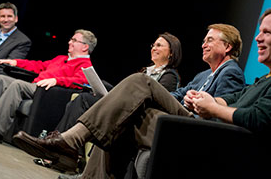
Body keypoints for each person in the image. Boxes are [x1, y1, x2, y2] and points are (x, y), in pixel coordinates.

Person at [13, 23, 246, 178]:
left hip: (194, 123)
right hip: (179, 116)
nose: (203, 44)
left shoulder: (231, 71)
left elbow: (221, 109)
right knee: (119, 120)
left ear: (227, 46)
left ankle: (69, 142)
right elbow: (176, 95)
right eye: (204, 40)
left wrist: (202, 100)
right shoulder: (204, 74)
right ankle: (82, 166)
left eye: (210, 40)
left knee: (139, 81)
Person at [33, 32, 183, 171]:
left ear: (171, 52)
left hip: (138, 114)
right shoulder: (145, 71)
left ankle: (63, 149)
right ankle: (66, 150)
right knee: (80, 100)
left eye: (159, 45)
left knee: (84, 100)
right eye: (153, 45)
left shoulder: (170, 75)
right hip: (127, 108)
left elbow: (156, 102)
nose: (154, 48)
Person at [0, 29, 97, 144]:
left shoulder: (85, 65)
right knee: (0, 79)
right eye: (71, 39)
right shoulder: (61, 58)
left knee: (16, 85)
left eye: (74, 40)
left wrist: (56, 80)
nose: (69, 42)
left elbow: (80, 82)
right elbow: (39, 65)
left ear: (85, 46)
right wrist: (16, 62)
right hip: (35, 86)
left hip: (48, 92)